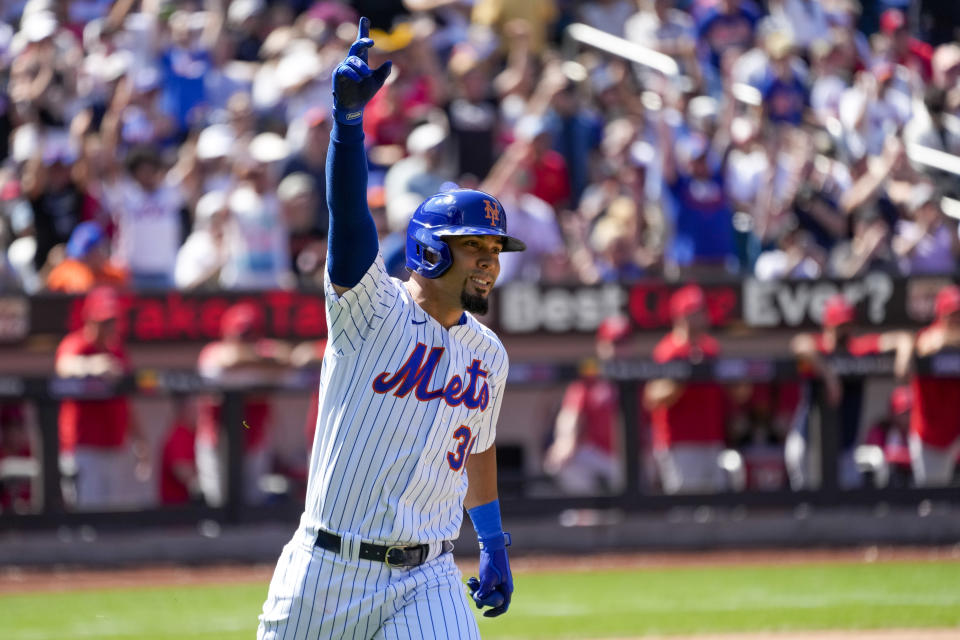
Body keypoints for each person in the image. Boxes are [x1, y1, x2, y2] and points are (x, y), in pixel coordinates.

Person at [258, 19, 523, 638]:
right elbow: (348, 222)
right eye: (474, 247)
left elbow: (477, 447)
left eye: (495, 249)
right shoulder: (371, 309)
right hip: (326, 568)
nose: (489, 260)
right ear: (430, 251)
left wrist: (492, 540)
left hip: (426, 577)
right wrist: (347, 130)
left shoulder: (489, 353)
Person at [787, 294, 903, 490]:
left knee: (847, 506)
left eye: (848, 324)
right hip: (808, 443)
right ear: (828, 326)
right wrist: (829, 375)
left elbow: (899, 338)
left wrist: (903, 356)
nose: (845, 330)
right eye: (839, 325)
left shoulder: (857, 349)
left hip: (845, 446)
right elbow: (799, 344)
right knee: (807, 503)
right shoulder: (819, 347)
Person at [55, 286, 149, 509]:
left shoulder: (117, 351)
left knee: (112, 519)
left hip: (115, 446)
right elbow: (63, 366)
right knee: (85, 516)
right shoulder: (77, 344)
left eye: (113, 320)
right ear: (89, 319)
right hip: (83, 449)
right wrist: (91, 365)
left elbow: (126, 403)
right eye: (104, 321)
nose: (110, 326)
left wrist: (140, 441)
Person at [196, 302, 291, 507]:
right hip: (217, 436)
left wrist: (260, 357)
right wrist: (259, 357)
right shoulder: (213, 352)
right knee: (218, 500)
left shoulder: (268, 354)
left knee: (252, 500)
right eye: (240, 334)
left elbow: (290, 357)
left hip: (252, 432)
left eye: (249, 334)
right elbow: (225, 359)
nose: (245, 340)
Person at [643, 285, 729, 494]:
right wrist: (686, 373)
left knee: (716, 511)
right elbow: (652, 397)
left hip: (712, 440)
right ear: (681, 316)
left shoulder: (710, 348)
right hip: (680, 444)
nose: (702, 317)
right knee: (685, 511)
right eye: (695, 313)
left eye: (702, 312)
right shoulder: (668, 350)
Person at [543, 316, 631, 495]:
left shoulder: (640, 373)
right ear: (601, 345)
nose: (617, 349)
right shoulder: (591, 375)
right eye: (613, 343)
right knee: (562, 464)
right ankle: (585, 512)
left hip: (631, 456)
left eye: (623, 343)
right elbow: (571, 413)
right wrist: (564, 441)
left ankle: (629, 517)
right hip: (598, 452)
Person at [896, 286, 960, 487]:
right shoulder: (928, 336)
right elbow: (930, 342)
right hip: (929, 433)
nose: (957, 319)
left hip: (955, 431)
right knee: (931, 497)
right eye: (952, 314)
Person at [45, 221, 128, 293]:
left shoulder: (115, 275)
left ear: (100, 251)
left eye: (88, 254)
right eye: (79, 256)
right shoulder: (63, 274)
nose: (82, 259)